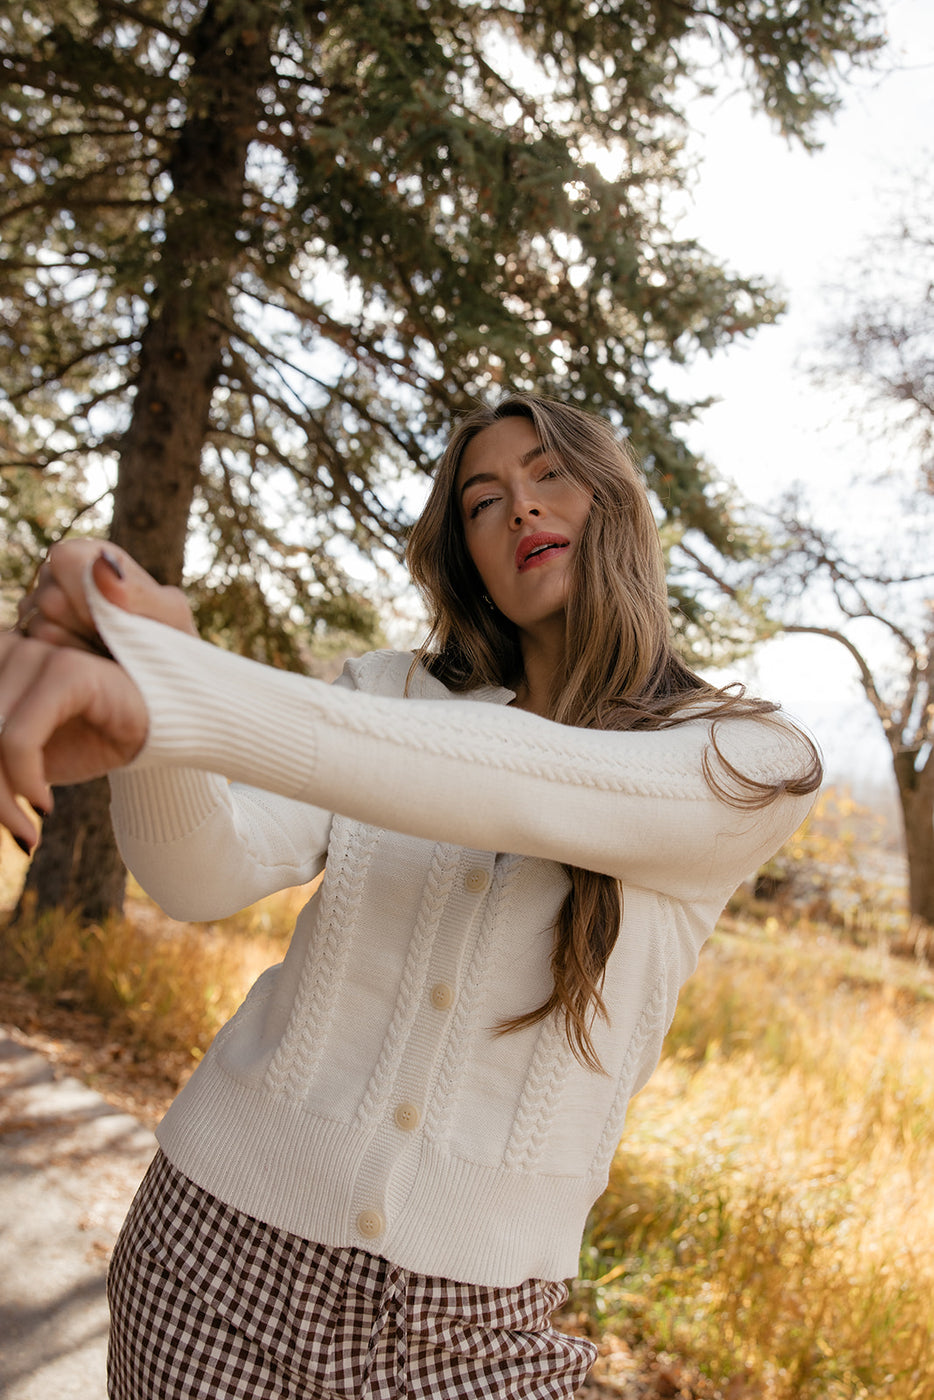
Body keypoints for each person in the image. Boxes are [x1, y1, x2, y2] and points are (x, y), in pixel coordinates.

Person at [0, 393, 821, 1399]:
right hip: (213, 1260)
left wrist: (181, 686)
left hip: (474, 1336)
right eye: (483, 500)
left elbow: (520, 778)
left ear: (615, 498)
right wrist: (151, 728)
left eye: (548, 472)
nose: (519, 507)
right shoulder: (385, 694)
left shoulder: (749, 759)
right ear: (464, 552)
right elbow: (198, 873)